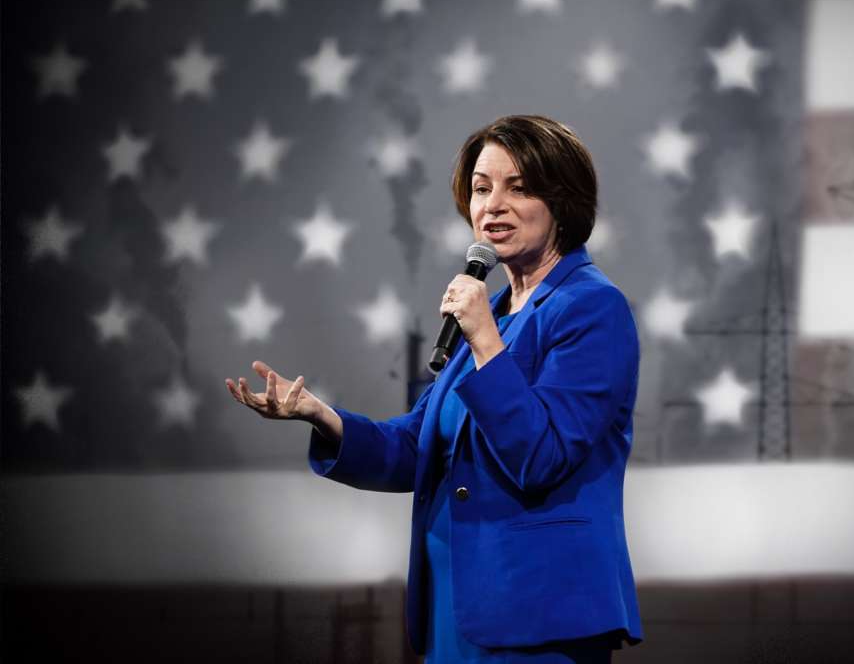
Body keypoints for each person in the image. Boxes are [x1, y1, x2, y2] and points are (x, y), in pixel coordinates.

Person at [225, 114, 643, 662]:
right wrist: (320, 415)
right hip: (456, 609)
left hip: (538, 615)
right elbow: (417, 449)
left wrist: (487, 344)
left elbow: (542, 456)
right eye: (480, 188)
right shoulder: (492, 312)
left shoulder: (589, 307)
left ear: (563, 201)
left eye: (518, 188)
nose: (492, 205)